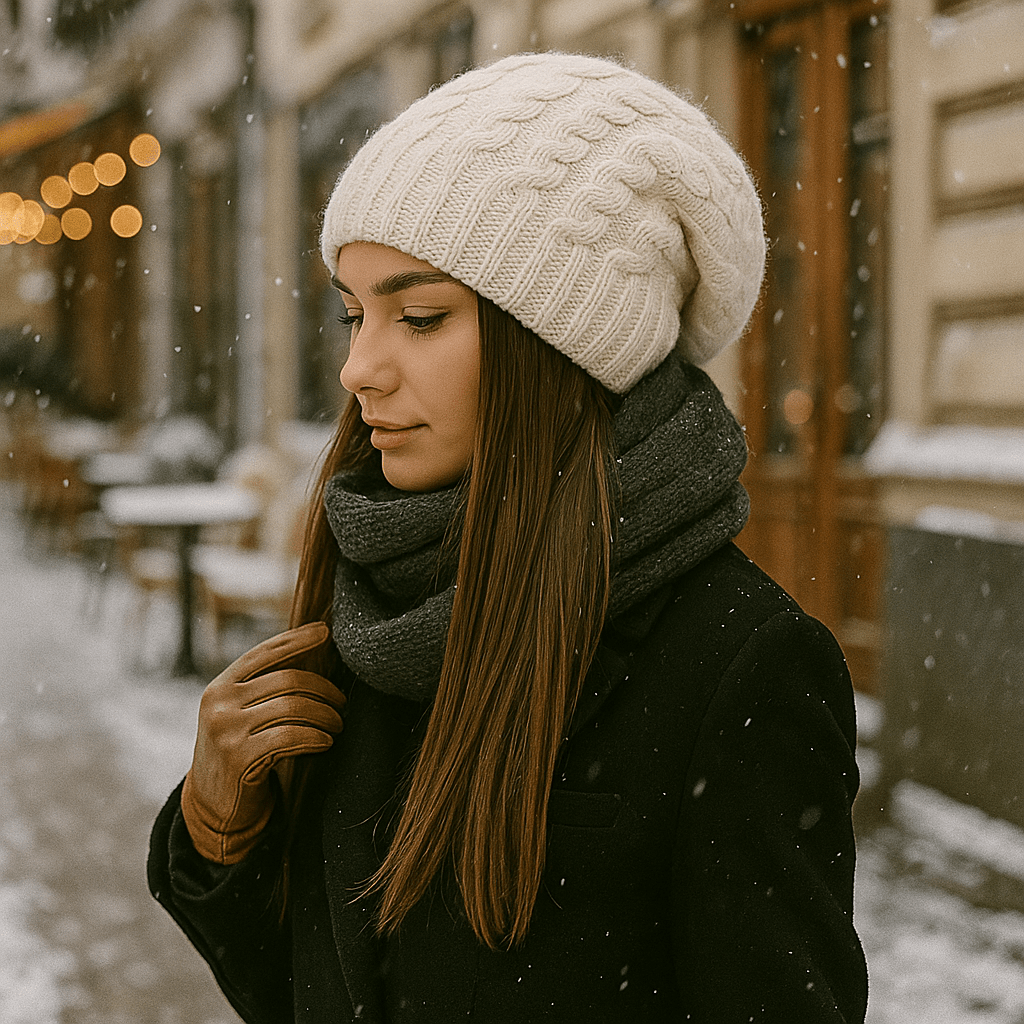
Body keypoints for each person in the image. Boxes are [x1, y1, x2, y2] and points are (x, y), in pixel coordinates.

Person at [148, 51, 869, 1023]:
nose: (361, 366)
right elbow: (318, 993)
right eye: (355, 314)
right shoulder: (378, 603)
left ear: (564, 343)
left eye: (421, 314)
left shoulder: (739, 664)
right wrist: (217, 829)